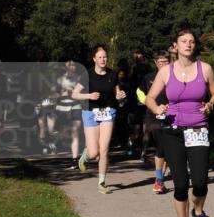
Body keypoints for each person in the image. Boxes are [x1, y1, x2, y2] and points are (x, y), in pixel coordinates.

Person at [145, 28, 214, 217]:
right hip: (173, 132)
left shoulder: (205, 69)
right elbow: (150, 98)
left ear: (195, 46)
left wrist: (210, 104)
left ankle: (199, 212)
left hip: (198, 130)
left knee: (199, 183)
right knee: (180, 184)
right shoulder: (166, 72)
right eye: (183, 41)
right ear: (175, 46)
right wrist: (156, 108)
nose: (188, 44)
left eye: (191, 41)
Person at [72, 45, 126, 194]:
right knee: (93, 153)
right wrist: (88, 96)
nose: (103, 59)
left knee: (104, 149)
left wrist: (120, 96)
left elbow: (117, 93)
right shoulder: (87, 74)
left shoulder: (112, 74)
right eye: (100, 57)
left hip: (108, 113)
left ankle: (101, 182)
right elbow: (74, 94)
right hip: (90, 113)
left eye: (105, 57)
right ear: (94, 59)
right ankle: (86, 154)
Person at [138, 51, 170, 194]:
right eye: (161, 61)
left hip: (172, 116)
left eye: (166, 61)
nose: (163, 64)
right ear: (156, 63)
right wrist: (148, 103)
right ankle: (159, 180)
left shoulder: (175, 76)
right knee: (161, 146)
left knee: (169, 148)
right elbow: (139, 92)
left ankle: (160, 180)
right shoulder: (149, 77)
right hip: (154, 116)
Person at [55, 60, 84, 168]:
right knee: (62, 133)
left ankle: (74, 159)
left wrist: (76, 93)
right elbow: (53, 94)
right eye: (69, 65)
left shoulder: (79, 78)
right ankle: (57, 143)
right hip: (62, 108)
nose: (72, 67)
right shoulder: (59, 79)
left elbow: (84, 92)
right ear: (64, 67)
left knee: (75, 131)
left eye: (74, 65)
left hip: (75, 106)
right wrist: (64, 93)